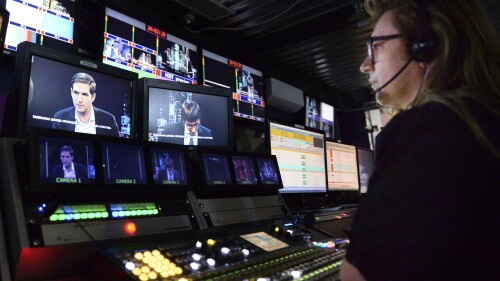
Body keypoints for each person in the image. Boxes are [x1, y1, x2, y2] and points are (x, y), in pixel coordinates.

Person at [340, 0, 500, 280]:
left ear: (426, 45)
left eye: (375, 47)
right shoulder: (485, 119)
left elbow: (359, 275)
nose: (365, 65)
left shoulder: (429, 128)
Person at [52, 73, 120, 137]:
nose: (79, 100)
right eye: (76, 93)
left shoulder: (108, 120)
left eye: (84, 94)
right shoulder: (60, 117)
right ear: (71, 92)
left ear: (93, 97)